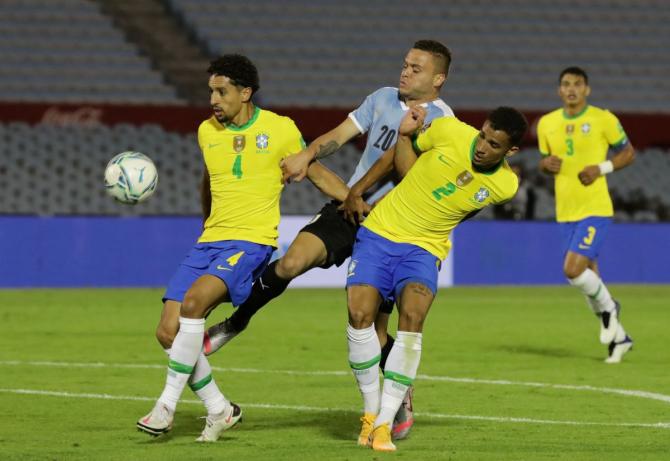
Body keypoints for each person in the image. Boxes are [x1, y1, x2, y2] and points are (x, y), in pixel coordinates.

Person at [203, 39, 455, 440]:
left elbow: (417, 181)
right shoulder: (383, 98)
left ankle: (399, 392)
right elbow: (341, 134)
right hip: (349, 206)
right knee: (290, 262)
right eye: (405, 64)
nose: (405, 72)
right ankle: (235, 322)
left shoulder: (443, 124)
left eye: (416, 68)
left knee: (375, 327)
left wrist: (376, 201)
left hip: (394, 226)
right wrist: (308, 155)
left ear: (438, 79)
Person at [136, 54, 349, 441]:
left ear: (245, 92)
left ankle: (165, 407)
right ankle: (220, 409)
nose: (213, 99)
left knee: (193, 305)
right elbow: (209, 179)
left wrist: (355, 202)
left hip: (251, 242)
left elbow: (316, 174)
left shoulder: (280, 129)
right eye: (210, 92)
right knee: (168, 332)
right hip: (209, 241)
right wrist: (206, 220)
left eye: (222, 91)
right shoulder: (207, 131)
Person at [345, 105, 528, 452]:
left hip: (424, 250)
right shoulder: (449, 130)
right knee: (359, 316)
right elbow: (405, 169)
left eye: (494, 144)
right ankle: (370, 413)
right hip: (380, 233)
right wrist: (404, 133)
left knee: (412, 318)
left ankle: (383, 424)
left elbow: (464, 209)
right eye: (483, 136)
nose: (482, 146)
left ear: (511, 151)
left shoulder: (505, 185)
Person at [537, 66, 636, 364]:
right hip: (565, 210)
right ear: (559, 90)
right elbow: (544, 160)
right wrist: (546, 165)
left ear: (587, 90)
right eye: (566, 84)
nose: (571, 89)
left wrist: (601, 168)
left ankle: (611, 309)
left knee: (572, 269)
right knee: (588, 278)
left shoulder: (603, 119)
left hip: (595, 208)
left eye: (577, 84)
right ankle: (620, 338)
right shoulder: (547, 124)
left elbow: (628, 152)